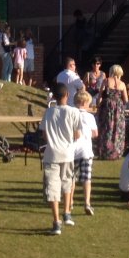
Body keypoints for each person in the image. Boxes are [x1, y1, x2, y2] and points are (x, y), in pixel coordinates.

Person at [41, 82, 85, 234]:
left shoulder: (48, 112)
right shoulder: (74, 112)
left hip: (51, 154)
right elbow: (77, 134)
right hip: (67, 154)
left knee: (52, 188)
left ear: (53, 96)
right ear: (67, 95)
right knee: (67, 183)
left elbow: (44, 134)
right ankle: (67, 212)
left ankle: (56, 221)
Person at [72, 90, 99, 216]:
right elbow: (95, 133)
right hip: (86, 151)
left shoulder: (71, 114)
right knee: (86, 178)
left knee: (71, 178)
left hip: (72, 151)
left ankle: (70, 201)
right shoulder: (89, 116)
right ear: (84, 102)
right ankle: (87, 203)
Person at [96, 63, 129, 160]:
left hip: (107, 106)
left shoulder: (106, 81)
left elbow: (99, 96)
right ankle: (116, 152)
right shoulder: (122, 84)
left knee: (106, 128)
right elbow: (126, 100)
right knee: (117, 128)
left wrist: (98, 105)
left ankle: (105, 151)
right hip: (118, 107)